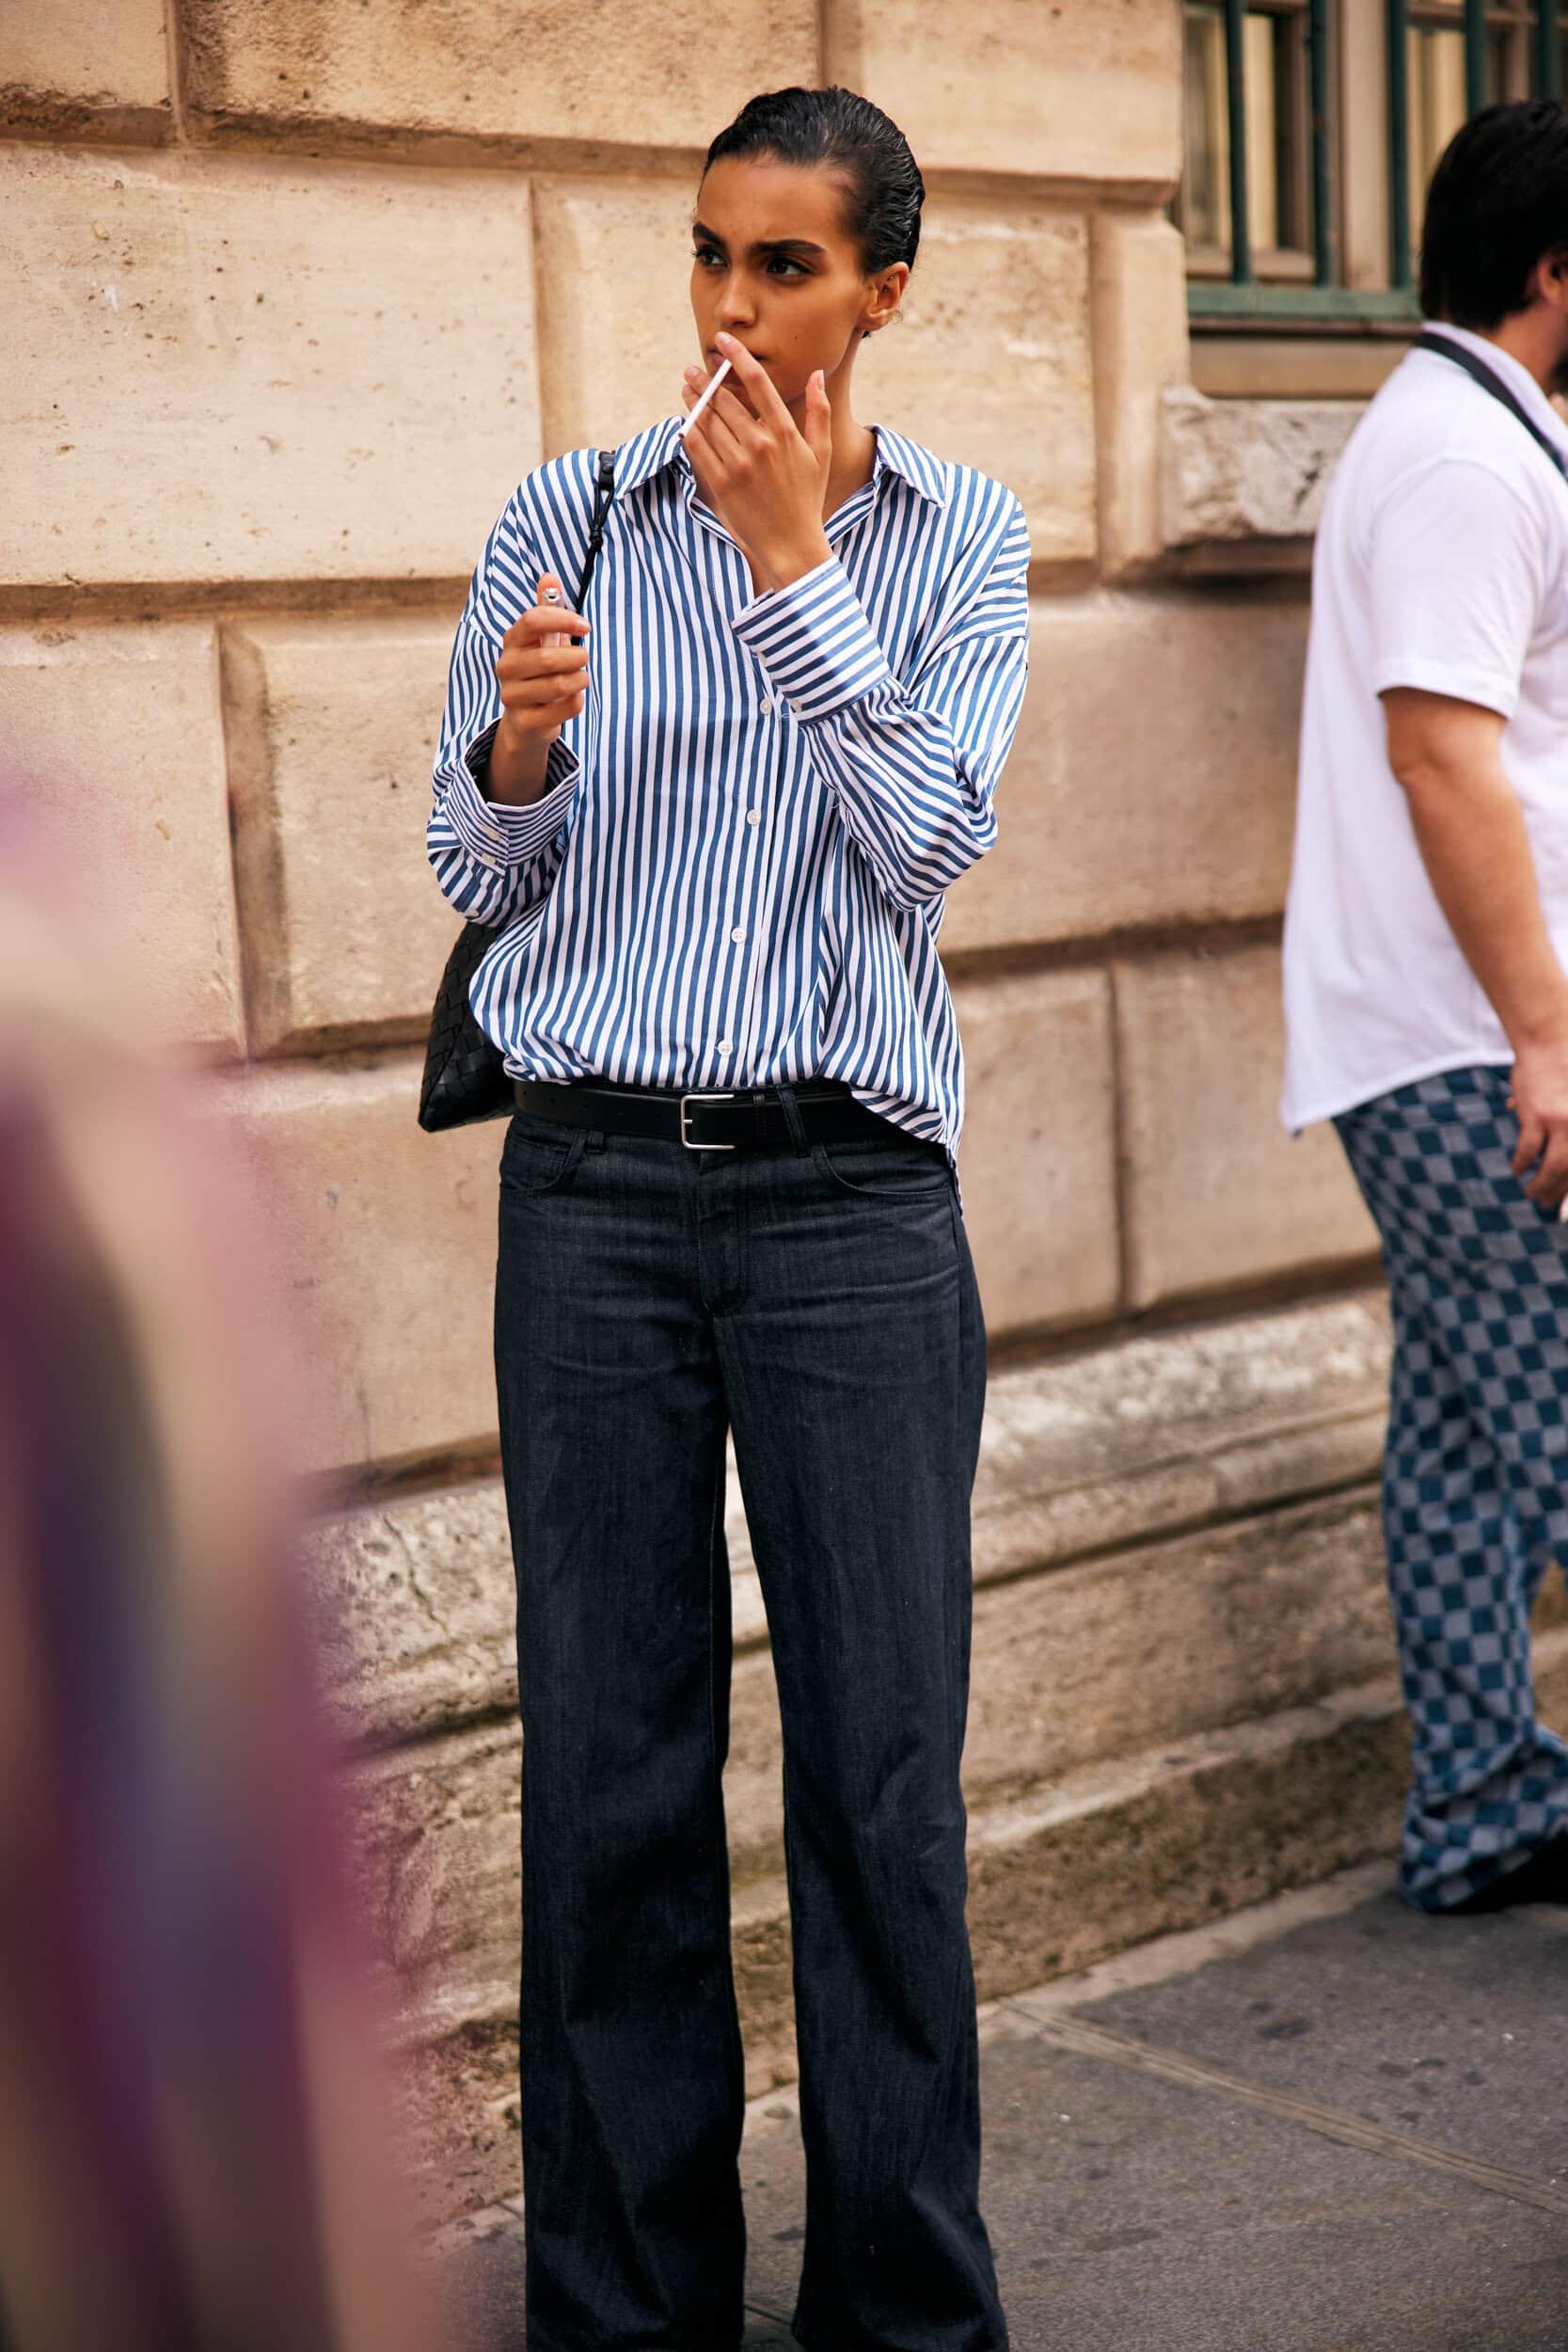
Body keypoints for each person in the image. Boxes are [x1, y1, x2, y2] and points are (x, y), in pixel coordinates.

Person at [426, 84, 1027, 2352]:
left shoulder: (960, 537)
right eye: (709, 254)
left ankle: (903, 2313)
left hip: (850, 1205)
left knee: (882, 1778)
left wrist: (792, 566)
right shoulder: (566, 515)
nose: (735, 307)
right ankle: (626, 2308)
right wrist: (517, 752)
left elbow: (931, 842)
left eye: (786, 265)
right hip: (591, 1194)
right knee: (610, 1774)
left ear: (884, 289)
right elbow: (474, 867)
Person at [1281, 99, 1568, 1916]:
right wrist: (1548, 1034)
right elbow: (1444, 758)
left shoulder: (1470, 429)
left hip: (1452, 1037)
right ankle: (1482, 1797)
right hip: (1476, 1044)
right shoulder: (1467, 459)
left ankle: (1481, 1805)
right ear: (1555, 270)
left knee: (1466, 1438)